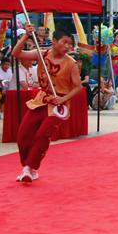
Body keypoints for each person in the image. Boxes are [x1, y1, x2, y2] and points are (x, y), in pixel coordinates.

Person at [12, 25, 82, 183]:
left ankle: (30, 168)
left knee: (42, 135)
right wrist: (26, 36)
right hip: (41, 99)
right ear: (54, 41)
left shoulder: (71, 64)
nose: (67, 46)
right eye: (64, 42)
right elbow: (16, 53)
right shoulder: (41, 54)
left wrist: (63, 100)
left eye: (70, 44)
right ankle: (27, 166)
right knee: (23, 134)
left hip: (58, 104)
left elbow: (78, 87)